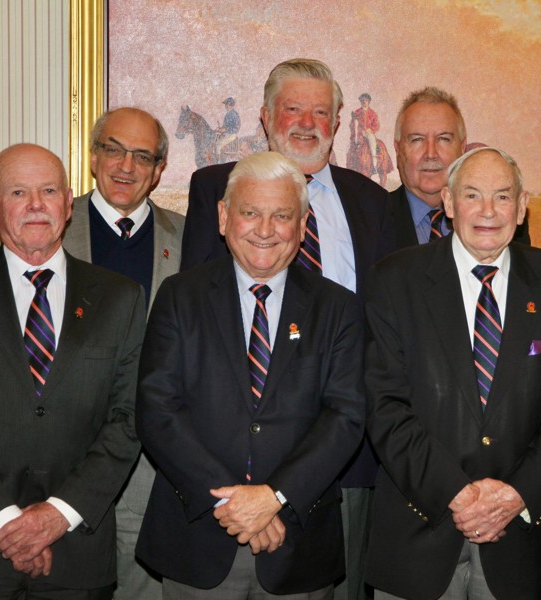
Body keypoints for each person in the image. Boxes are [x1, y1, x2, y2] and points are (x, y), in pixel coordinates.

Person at [179, 57, 393, 600]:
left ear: (337, 122)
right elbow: (198, 329)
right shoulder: (214, 188)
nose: (306, 123)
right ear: (265, 116)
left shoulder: (372, 201)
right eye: (293, 108)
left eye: (320, 112)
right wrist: (254, 497)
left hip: (347, 452)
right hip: (234, 465)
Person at [365, 147, 541, 599]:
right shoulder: (394, 281)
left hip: (522, 543)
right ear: (449, 203)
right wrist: (457, 494)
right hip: (418, 538)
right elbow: (385, 406)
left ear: (522, 206)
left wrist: (514, 496)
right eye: (472, 195)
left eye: (502, 196)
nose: (488, 211)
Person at [135, 151, 364, 598]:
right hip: (198, 539)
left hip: (297, 544)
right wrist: (235, 503)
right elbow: (156, 410)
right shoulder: (179, 296)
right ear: (224, 217)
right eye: (250, 213)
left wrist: (273, 497)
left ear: (303, 225)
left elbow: (346, 417)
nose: (265, 229)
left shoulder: (337, 308)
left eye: (282, 216)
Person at [0, 143, 145, 598]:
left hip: (77, 555)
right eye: (17, 192)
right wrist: (7, 524)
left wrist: (56, 516)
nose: (35, 205)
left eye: (48, 191)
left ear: (68, 203)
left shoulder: (120, 298)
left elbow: (128, 420)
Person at [62, 106, 185, 599]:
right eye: (113, 149)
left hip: (151, 469)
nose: (126, 166)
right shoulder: (52, 227)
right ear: (94, 156)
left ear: (159, 170)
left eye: (142, 156)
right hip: (64, 462)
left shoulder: (190, 237)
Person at [391, 87, 530, 249]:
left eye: (443, 139)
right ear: (398, 149)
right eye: (417, 139)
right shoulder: (373, 220)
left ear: (462, 148)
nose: (431, 154)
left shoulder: (502, 220)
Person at [351, 93, 380, 175]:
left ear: (369, 102)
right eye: (362, 100)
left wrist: (371, 129)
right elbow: (353, 123)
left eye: (366, 100)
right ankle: (351, 163)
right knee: (350, 145)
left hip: (368, 133)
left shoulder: (373, 113)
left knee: (372, 143)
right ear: (360, 101)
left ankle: (374, 166)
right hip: (359, 132)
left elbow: (377, 125)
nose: (364, 102)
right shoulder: (357, 112)